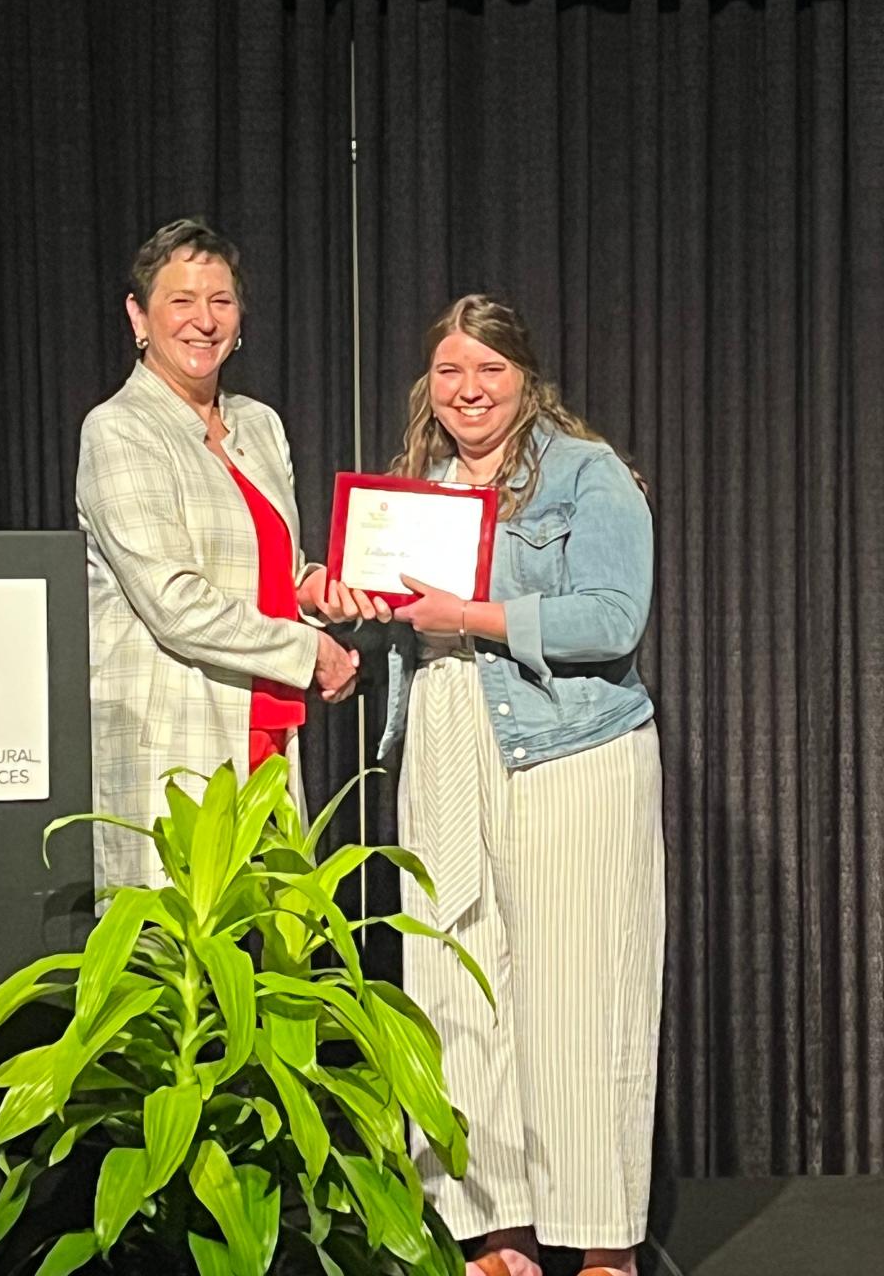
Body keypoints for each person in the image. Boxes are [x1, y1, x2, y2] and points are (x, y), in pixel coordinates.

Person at [378, 295, 664, 1276]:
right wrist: (346, 597)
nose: (470, 389)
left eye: (490, 370)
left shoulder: (587, 475)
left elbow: (614, 617)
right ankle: (499, 1234)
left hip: (568, 746)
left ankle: (602, 1245)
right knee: (458, 981)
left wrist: (476, 611)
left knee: (579, 994)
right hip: (447, 736)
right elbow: (399, 613)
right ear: (432, 382)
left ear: (525, 377)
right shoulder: (417, 489)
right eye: (453, 370)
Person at [77, 217, 369, 895]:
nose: (203, 320)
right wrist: (311, 652)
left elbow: (273, 569)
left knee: (267, 976)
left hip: (265, 735)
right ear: (138, 315)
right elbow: (175, 604)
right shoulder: (118, 429)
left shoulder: (259, 425)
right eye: (181, 300)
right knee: (176, 978)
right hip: (171, 742)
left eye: (221, 300)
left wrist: (317, 589)